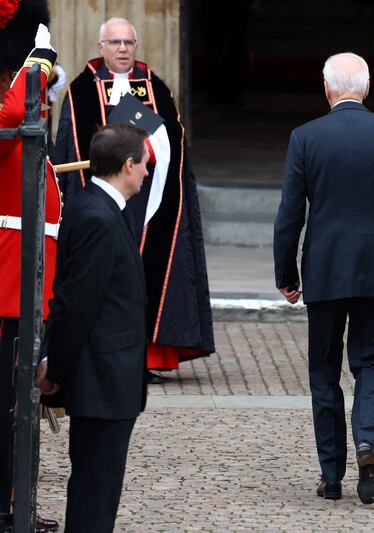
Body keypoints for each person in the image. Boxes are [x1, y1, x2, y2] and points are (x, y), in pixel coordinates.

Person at [273, 52, 374, 504]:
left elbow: (289, 215)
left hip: (324, 269)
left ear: (327, 89)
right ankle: (367, 441)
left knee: (324, 374)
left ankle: (331, 474)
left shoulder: (305, 137)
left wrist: (286, 273)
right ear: (366, 88)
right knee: (372, 366)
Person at [52, 17, 214, 382]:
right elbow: (68, 142)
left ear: (136, 46)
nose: (122, 49)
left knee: (146, 271)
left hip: (150, 197)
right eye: (115, 43)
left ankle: (148, 354)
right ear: (101, 47)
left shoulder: (154, 85)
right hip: (103, 199)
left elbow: (174, 137)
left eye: (128, 42)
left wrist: (156, 151)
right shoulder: (81, 90)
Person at [36, 124, 150, 532]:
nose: (146, 174)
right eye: (143, 166)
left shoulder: (100, 209)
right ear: (127, 165)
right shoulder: (98, 217)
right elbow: (75, 302)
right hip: (102, 378)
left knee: (99, 488)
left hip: (109, 378)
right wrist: (57, 367)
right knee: (95, 490)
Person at [0, 2, 60, 530]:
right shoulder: (9, 106)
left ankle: (16, 504)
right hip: (7, 289)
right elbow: (11, 115)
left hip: (25, 288)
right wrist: (32, 67)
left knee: (19, 413)